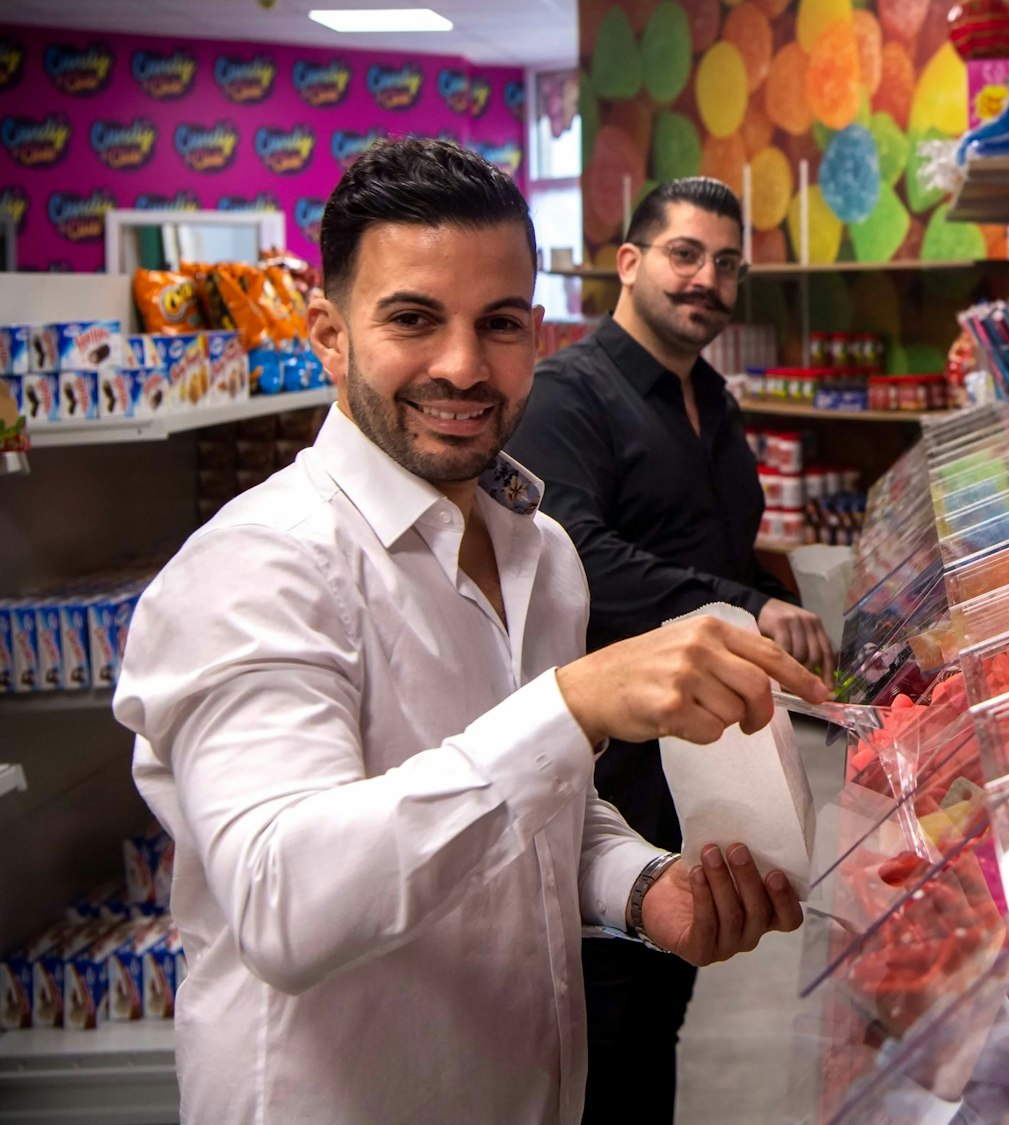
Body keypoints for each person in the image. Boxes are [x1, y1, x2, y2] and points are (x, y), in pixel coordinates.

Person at [111, 138, 825, 1125]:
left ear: (535, 332)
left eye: (497, 325)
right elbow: (285, 902)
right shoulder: (256, 571)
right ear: (327, 331)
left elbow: (546, 816)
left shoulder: (539, 554)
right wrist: (573, 704)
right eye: (412, 319)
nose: (462, 365)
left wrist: (643, 886)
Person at [506, 177, 832, 1119]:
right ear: (631, 262)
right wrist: (743, 609)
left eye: (727, 264)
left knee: (658, 1023)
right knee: (602, 1038)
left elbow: (712, 552)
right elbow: (580, 562)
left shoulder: (710, 399)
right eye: (687, 255)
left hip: (696, 776)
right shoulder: (569, 396)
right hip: (605, 784)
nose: (707, 280)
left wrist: (763, 600)